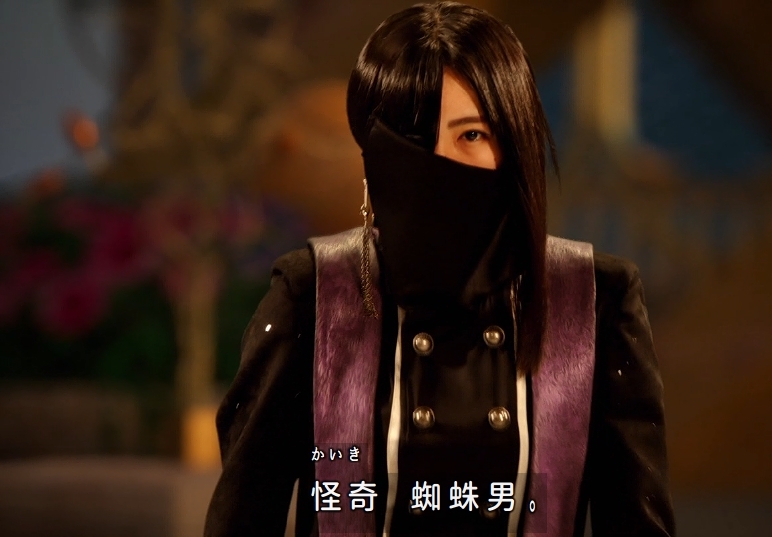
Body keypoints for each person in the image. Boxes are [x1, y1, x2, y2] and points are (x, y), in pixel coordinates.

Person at [204, 2, 675, 536]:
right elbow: (243, 516)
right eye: (413, 137)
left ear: (514, 144)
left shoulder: (593, 298)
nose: (438, 163)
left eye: (471, 135)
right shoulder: (313, 293)